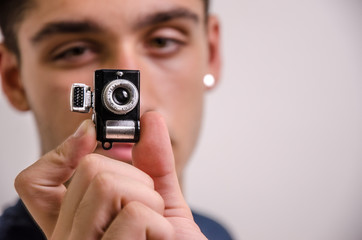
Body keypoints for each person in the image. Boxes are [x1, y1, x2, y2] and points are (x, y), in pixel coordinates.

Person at [0, 0, 233, 239]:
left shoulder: (216, 233)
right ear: (13, 79)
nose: (134, 101)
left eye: (163, 41)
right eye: (75, 50)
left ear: (211, 53)